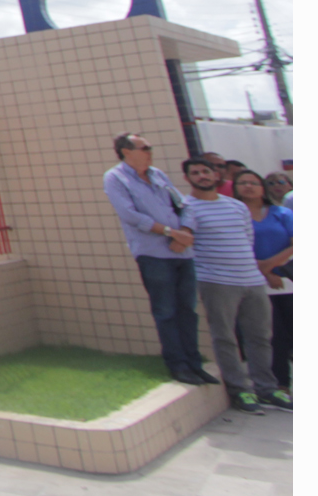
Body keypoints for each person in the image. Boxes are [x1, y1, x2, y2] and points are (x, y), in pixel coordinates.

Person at [101, 133, 214, 385]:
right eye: (144, 147)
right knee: (166, 311)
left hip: (182, 252)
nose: (150, 151)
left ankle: (194, 363)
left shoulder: (158, 175)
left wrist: (184, 232)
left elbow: (183, 205)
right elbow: (130, 215)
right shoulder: (115, 178)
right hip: (153, 254)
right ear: (126, 151)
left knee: (187, 309)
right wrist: (168, 232)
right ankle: (177, 365)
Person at [179, 158, 289, 413]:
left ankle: (267, 389)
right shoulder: (186, 207)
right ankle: (240, 391)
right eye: (195, 173)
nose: (202, 176)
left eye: (206, 171)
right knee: (226, 337)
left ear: (216, 176)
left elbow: (246, 241)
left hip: (252, 280)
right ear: (187, 178)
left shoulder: (237, 207)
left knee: (261, 337)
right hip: (217, 281)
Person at [234, 168, 293, 393]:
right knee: (274, 337)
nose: (249, 186)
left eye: (253, 182)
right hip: (255, 284)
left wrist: (270, 267)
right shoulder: (234, 216)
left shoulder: (282, 213)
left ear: (262, 188)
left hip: (288, 280)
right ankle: (281, 385)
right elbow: (237, 248)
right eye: (243, 183)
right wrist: (265, 273)